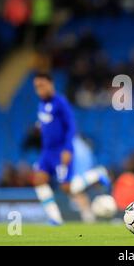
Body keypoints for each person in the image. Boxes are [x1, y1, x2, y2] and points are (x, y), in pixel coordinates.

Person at [33, 72, 95, 224]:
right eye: (36, 87)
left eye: (42, 85)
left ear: (50, 84)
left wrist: (67, 149)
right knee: (39, 180)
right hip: (47, 152)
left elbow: (71, 126)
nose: (39, 89)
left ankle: (96, 176)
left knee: (66, 187)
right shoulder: (41, 104)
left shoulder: (60, 102)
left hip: (61, 150)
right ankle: (55, 218)